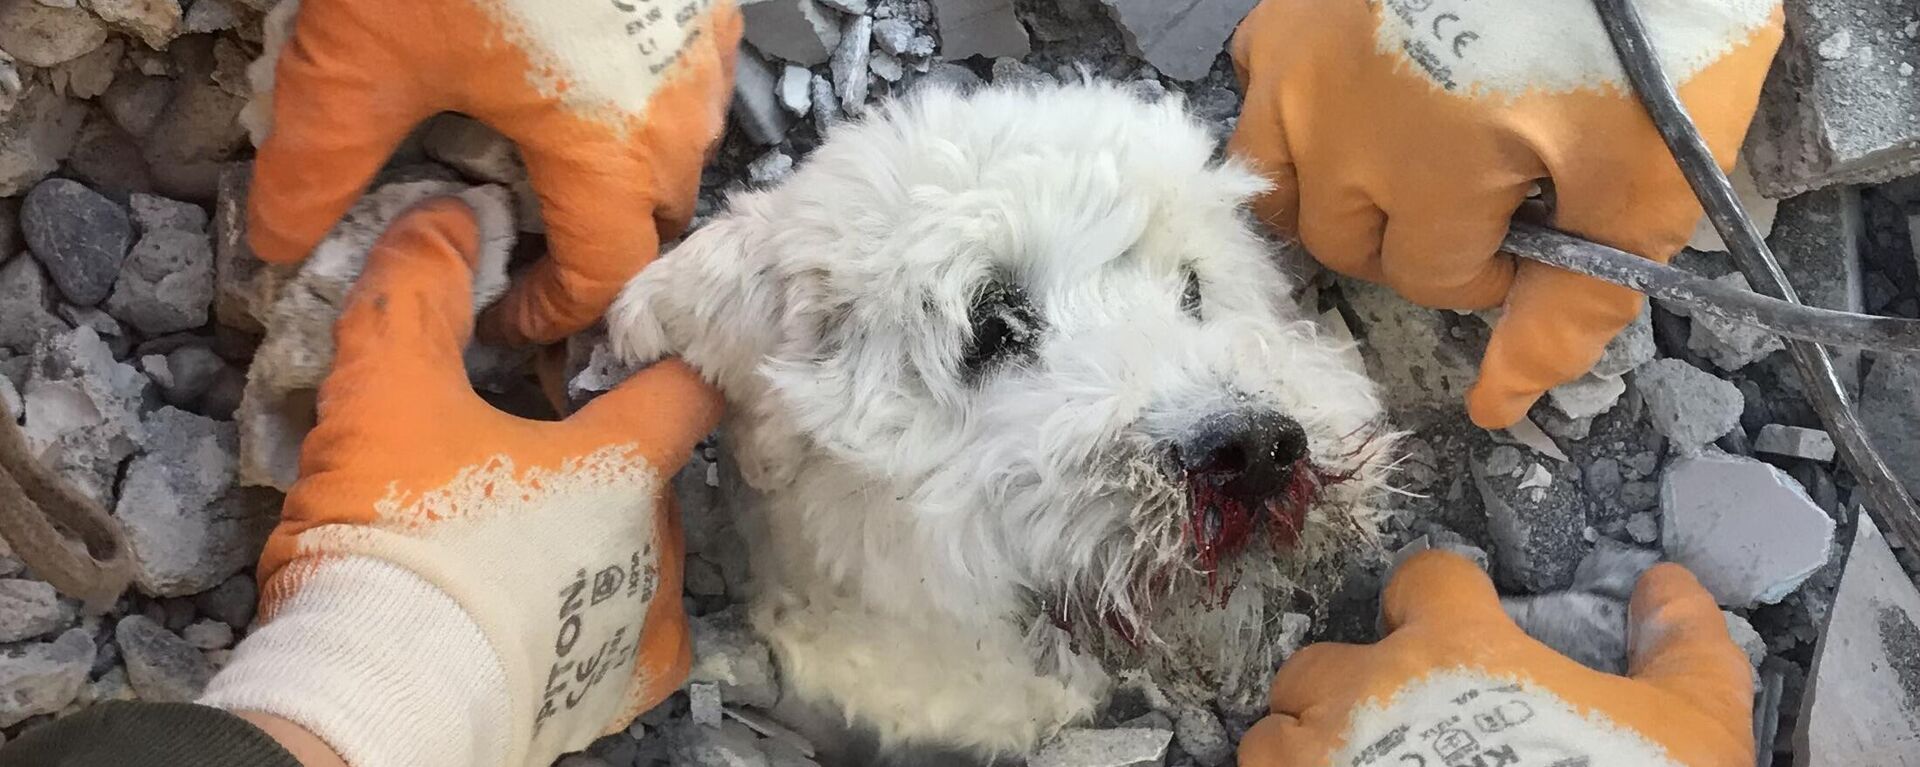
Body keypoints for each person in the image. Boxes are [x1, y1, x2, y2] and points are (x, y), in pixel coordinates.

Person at [1, 0, 1777, 764]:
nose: (1219, 389)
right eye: (996, 331)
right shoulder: (760, 309)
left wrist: (377, 696)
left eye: (1186, 283)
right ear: (772, 386)